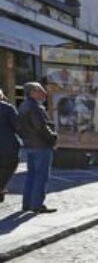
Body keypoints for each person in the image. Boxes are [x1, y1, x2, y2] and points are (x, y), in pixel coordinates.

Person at [16, 82, 58, 213]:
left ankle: (28, 203)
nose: (44, 93)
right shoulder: (34, 107)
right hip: (41, 145)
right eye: (40, 90)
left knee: (32, 175)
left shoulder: (23, 106)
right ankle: (37, 204)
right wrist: (53, 137)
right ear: (32, 92)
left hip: (30, 145)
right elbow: (40, 127)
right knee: (41, 175)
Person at [0, 89, 21, 202]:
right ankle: (1, 188)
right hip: (7, 146)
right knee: (9, 166)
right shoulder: (7, 108)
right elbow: (18, 126)